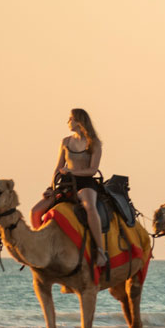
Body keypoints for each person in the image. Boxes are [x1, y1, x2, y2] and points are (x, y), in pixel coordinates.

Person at [33, 108, 108, 267]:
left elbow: (93, 170)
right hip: (65, 183)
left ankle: (100, 251)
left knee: (90, 207)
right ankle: (39, 247)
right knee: (36, 210)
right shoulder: (66, 142)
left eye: (71, 119)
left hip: (85, 182)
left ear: (79, 121)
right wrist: (51, 187)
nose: (68, 122)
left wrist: (72, 171)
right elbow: (58, 167)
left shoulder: (94, 143)